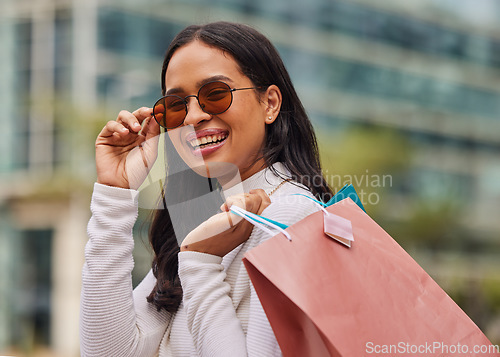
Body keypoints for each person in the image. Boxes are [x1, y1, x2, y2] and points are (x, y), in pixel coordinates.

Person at [80, 21, 333, 356]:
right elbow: (107, 352)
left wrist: (200, 264)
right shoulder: (201, 218)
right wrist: (115, 193)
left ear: (270, 103)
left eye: (216, 94)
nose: (193, 117)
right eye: (176, 105)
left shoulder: (290, 219)